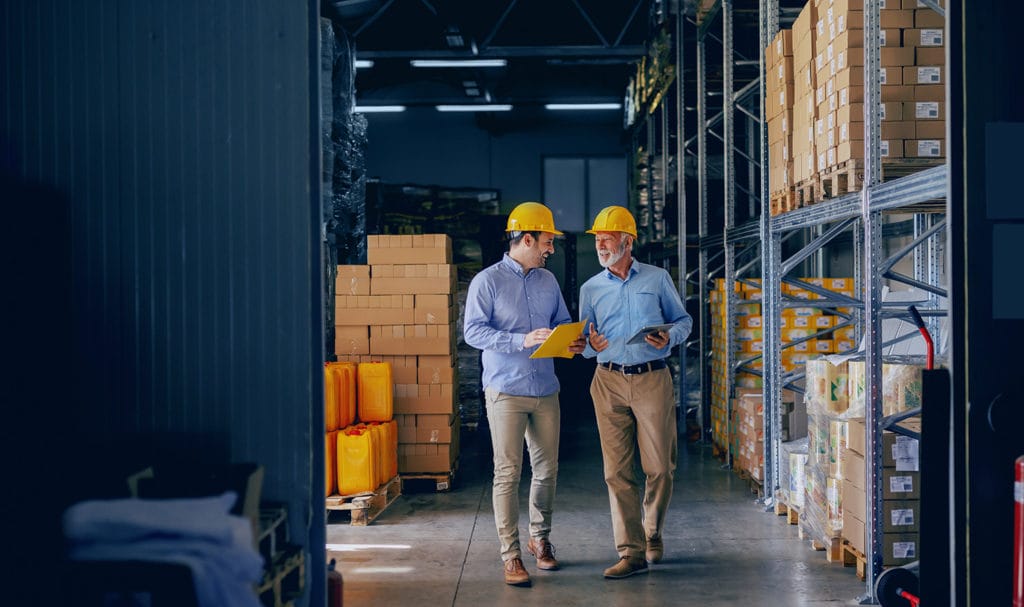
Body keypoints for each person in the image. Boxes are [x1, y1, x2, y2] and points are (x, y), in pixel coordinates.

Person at [463, 201, 586, 587]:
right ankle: (511, 554)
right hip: (506, 390)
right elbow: (473, 332)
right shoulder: (487, 281)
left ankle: (540, 539)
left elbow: (562, 323)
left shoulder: (548, 282)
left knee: (547, 469)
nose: (551, 249)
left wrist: (571, 342)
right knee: (507, 472)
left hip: (545, 388)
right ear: (527, 239)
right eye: (547, 242)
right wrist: (520, 340)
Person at [578, 205, 694, 579]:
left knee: (660, 466)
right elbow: (585, 343)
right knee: (616, 472)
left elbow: (684, 320)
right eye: (597, 238)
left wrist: (669, 337)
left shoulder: (658, 279)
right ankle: (631, 551)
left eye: (607, 237)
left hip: (651, 378)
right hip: (607, 380)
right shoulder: (590, 288)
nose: (600, 244)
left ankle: (652, 530)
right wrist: (590, 344)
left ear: (627, 242)